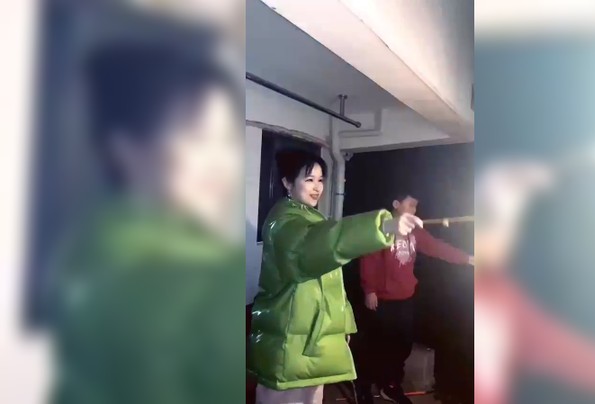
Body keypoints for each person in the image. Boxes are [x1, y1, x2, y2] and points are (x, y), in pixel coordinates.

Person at [47, 43, 245, 404]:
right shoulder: (155, 270)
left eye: (227, 140)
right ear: (128, 147)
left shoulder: (97, 243)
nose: (221, 162)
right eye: (197, 136)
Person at [473, 161, 595, 404]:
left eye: (512, 226)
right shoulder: (485, 293)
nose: (507, 239)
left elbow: (556, 348)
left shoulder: (501, 295)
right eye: (501, 224)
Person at [248, 149, 424, 404]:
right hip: (290, 339)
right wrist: (383, 226)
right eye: (309, 179)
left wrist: (343, 325)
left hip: (310, 336)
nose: (317, 187)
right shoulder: (284, 222)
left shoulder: (310, 217)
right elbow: (315, 246)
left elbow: (329, 283)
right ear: (287, 182)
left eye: (321, 179)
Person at [354, 193, 474, 404]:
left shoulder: (414, 231)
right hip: (381, 299)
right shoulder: (382, 226)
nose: (414, 210)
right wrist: (369, 289)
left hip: (405, 297)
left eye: (416, 206)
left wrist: (468, 258)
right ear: (396, 204)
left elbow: (436, 247)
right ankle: (363, 385)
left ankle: (390, 384)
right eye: (410, 205)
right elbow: (369, 256)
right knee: (376, 345)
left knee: (402, 345)